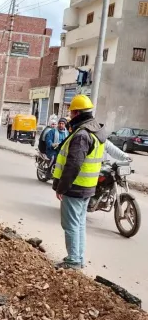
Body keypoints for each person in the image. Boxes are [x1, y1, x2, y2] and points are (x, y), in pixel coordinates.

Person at [53, 95, 107, 270]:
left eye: (71, 113)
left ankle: (73, 260)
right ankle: (78, 258)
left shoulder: (82, 135)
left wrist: (62, 187)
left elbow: (74, 164)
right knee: (79, 224)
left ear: (76, 113)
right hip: (88, 187)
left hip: (76, 188)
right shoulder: (96, 131)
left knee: (70, 225)